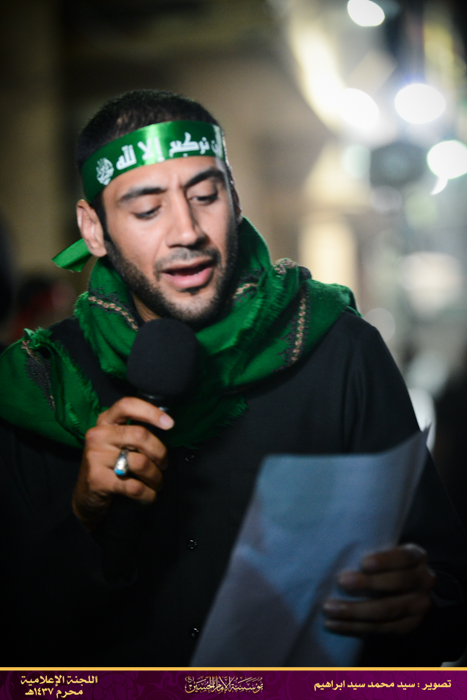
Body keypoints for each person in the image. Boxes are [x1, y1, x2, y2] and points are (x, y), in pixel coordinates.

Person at [0, 89, 465, 667]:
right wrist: (83, 515)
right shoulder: (44, 385)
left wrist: (419, 602)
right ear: (93, 229)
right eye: (147, 210)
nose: (187, 231)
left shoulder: (337, 349)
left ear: (235, 196)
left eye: (205, 195)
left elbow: (445, 587)